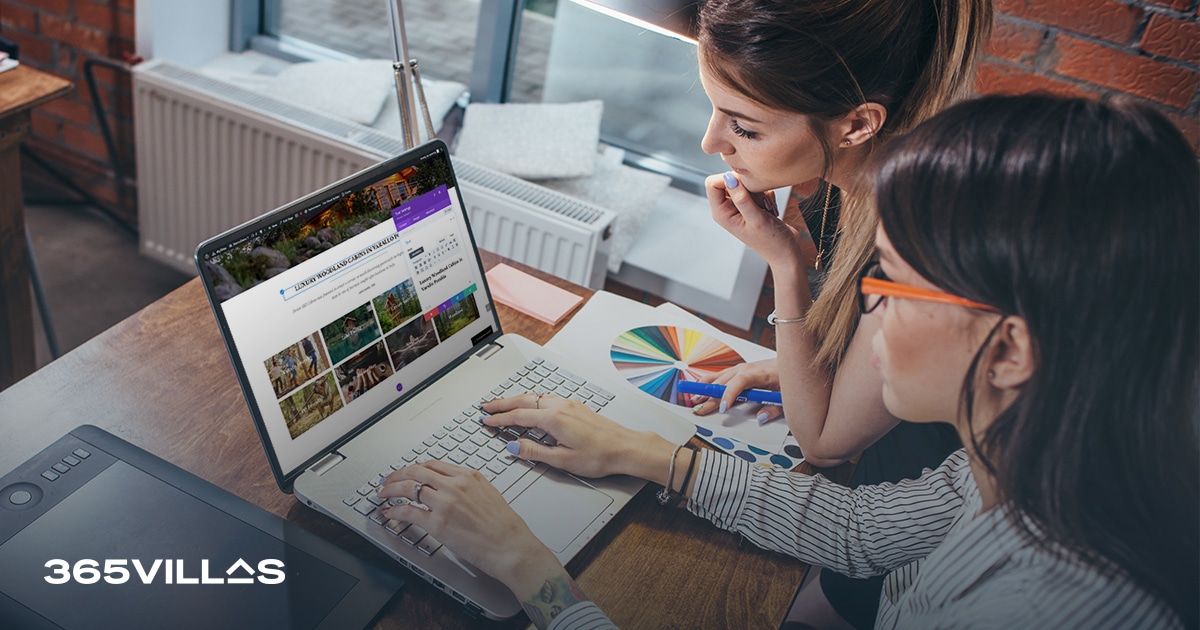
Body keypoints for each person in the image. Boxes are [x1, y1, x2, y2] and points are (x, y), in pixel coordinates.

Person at [379, 95, 1199, 629]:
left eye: (890, 285)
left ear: (1012, 349)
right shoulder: (1024, 461)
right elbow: (863, 531)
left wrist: (535, 576)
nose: (868, 315)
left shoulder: (1046, 607)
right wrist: (645, 453)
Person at [689, 1, 991, 624]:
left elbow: (825, 443)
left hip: (911, 535)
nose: (711, 142)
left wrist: (784, 264)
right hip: (887, 517)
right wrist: (811, 367)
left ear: (856, 125)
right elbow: (862, 352)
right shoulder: (837, 189)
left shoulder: (914, 240)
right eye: (714, 110)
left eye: (744, 128)